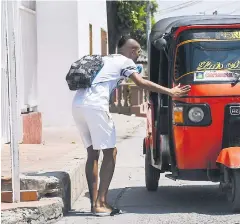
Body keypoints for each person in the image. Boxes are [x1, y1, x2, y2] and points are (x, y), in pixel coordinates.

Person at [71, 36, 191, 216]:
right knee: (110, 152)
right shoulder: (126, 61)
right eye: (138, 52)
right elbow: (141, 82)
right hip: (95, 107)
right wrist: (170, 91)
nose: (137, 56)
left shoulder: (105, 59)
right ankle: (100, 203)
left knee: (92, 153)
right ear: (133, 51)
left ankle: (94, 203)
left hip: (78, 104)